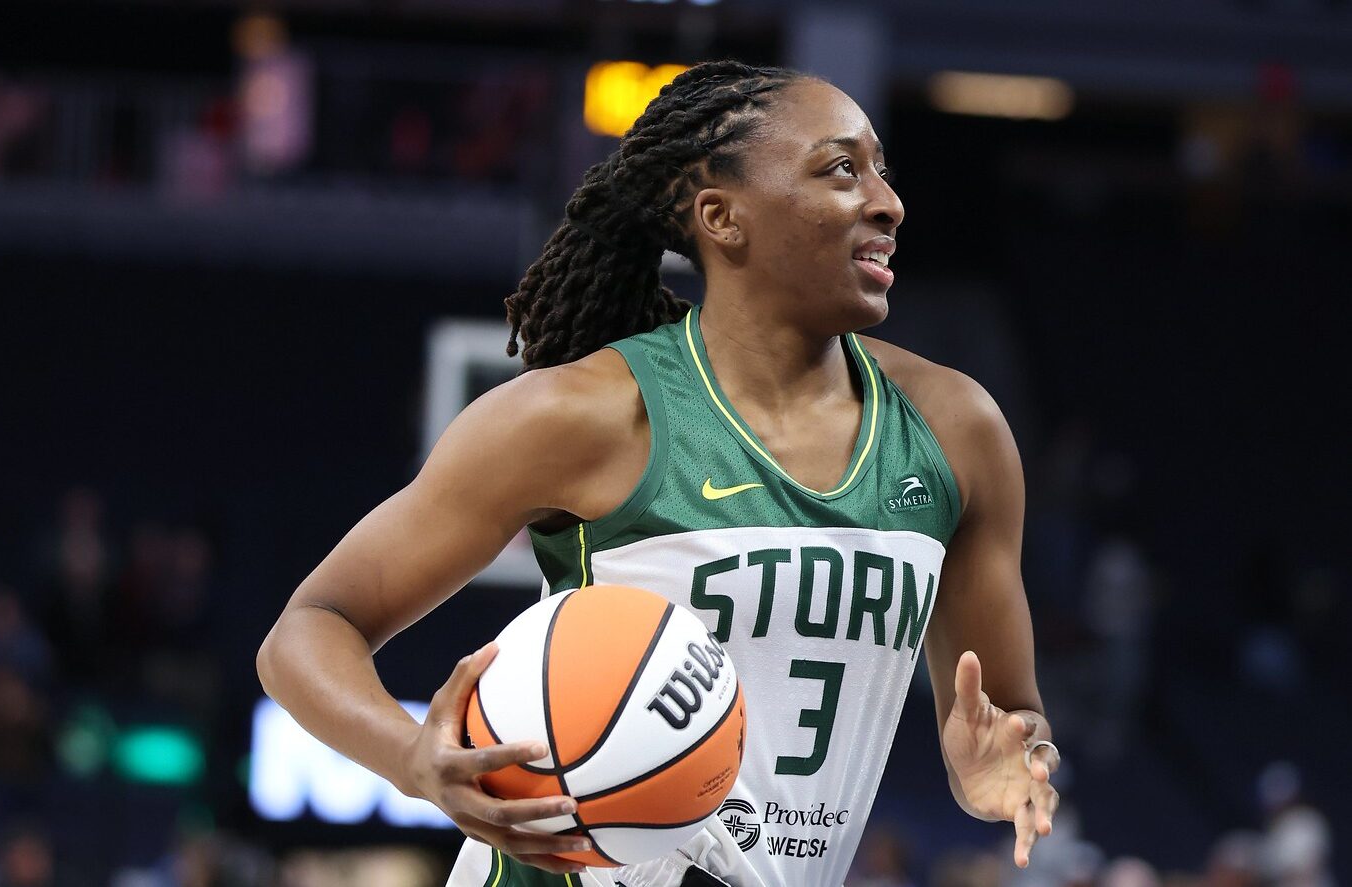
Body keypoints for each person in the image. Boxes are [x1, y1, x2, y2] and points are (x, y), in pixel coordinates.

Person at [257, 60, 1061, 887]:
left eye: (881, 172)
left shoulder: (955, 431)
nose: (887, 202)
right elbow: (309, 628)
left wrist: (1005, 760)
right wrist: (409, 757)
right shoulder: (581, 415)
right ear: (722, 217)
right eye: (840, 169)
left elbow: (1009, 713)